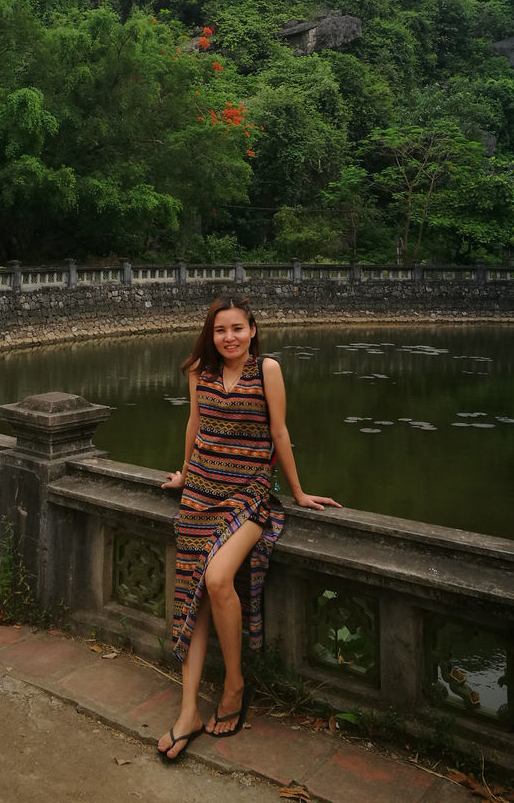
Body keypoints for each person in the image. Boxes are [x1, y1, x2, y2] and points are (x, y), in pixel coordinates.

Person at [157, 294, 341, 762]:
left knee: (218, 579)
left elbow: (279, 433)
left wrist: (297, 493)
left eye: (237, 328)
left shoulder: (268, 371)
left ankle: (235, 686)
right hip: (200, 492)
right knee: (192, 595)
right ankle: (187, 713)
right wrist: (182, 472)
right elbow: (194, 424)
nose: (229, 337)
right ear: (211, 334)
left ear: (253, 330)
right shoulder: (201, 370)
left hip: (249, 492)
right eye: (221, 330)